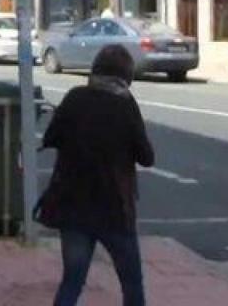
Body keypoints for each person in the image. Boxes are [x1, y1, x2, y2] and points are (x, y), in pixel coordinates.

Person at [41, 44, 155, 306]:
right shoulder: (125, 105)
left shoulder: (75, 98)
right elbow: (147, 157)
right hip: (114, 208)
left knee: (72, 281)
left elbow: (50, 138)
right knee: (131, 283)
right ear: (126, 75)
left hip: (73, 205)